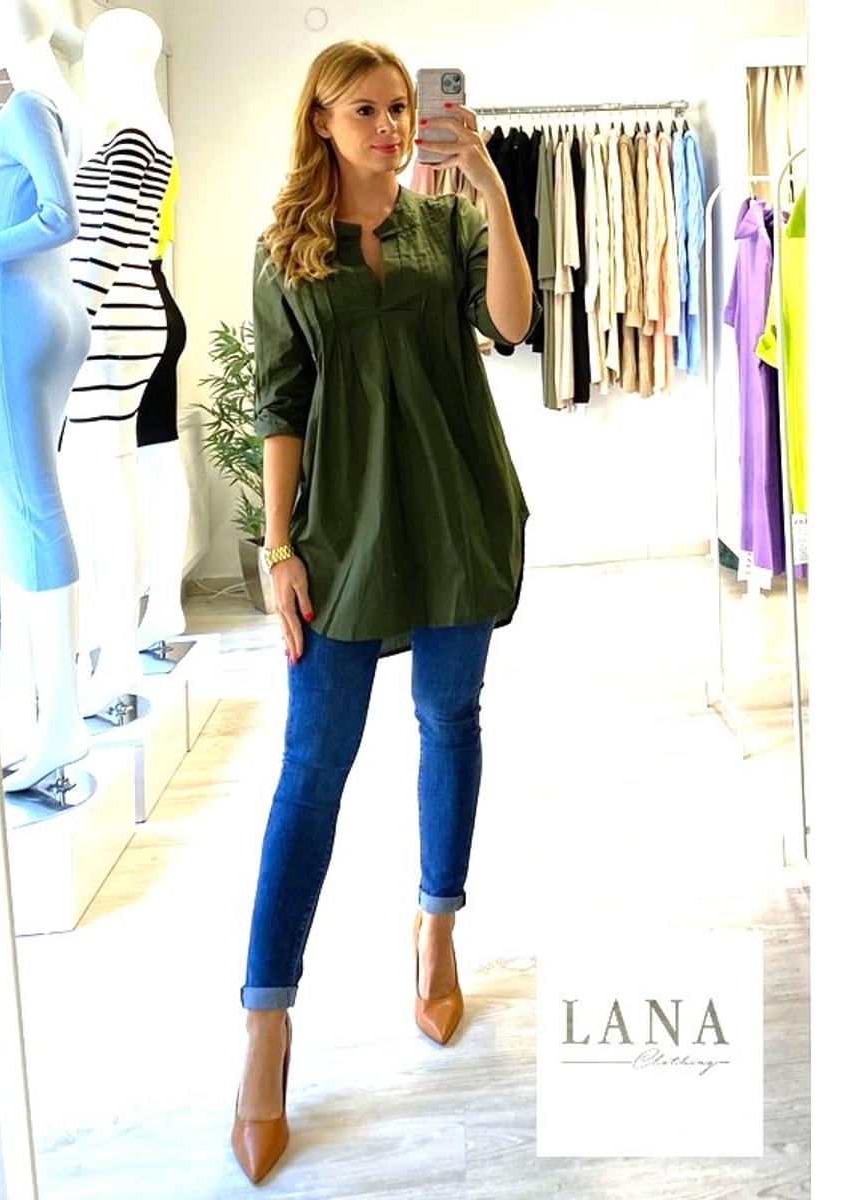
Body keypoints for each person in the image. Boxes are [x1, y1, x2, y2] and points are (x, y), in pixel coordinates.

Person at [232, 40, 540, 1185]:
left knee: (449, 722)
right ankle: (266, 1023)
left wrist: (492, 190)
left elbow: (511, 323)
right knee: (311, 770)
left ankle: (437, 925)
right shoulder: (285, 249)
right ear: (321, 120)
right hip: (341, 537)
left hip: (454, 514)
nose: (391, 125)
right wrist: (277, 549)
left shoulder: (443, 226)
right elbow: (279, 401)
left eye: (401, 107)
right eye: (365, 109)